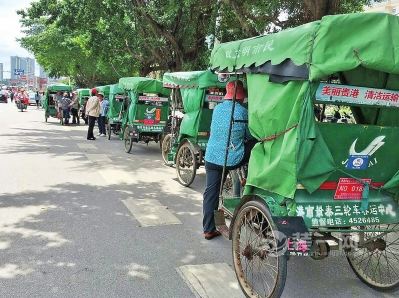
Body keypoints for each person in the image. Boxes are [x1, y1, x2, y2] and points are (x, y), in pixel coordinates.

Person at [202, 80, 254, 240]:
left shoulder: (217, 109)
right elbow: (248, 135)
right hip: (232, 158)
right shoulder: (243, 112)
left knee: (211, 192)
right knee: (255, 143)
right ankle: (251, 177)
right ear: (240, 97)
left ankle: (208, 229)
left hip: (211, 157)